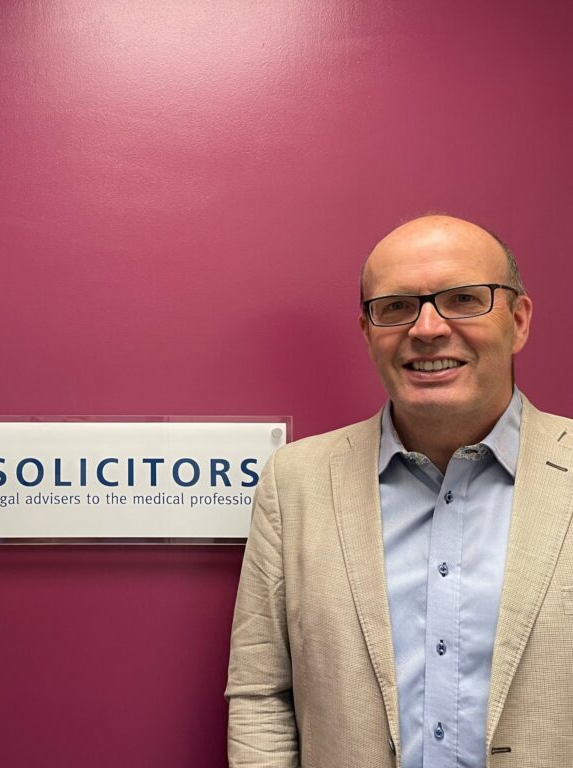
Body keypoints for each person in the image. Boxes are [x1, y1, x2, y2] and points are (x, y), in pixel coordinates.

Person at [225, 215, 573, 768]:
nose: (428, 329)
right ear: (367, 333)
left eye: (463, 299)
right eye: (396, 307)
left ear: (520, 320)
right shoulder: (296, 483)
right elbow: (261, 695)